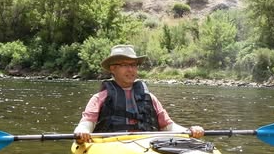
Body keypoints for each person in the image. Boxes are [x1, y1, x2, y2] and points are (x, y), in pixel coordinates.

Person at [74, 45, 205, 143]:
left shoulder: (150, 98)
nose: (131, 69)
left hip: (147, 145)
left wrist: (189, 131)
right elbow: (86, 123)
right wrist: (83, 132)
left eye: (134, 65)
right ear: (113, 68)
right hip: (112, 145)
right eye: (125, 65)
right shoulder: (99, 98)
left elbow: (168, 126)